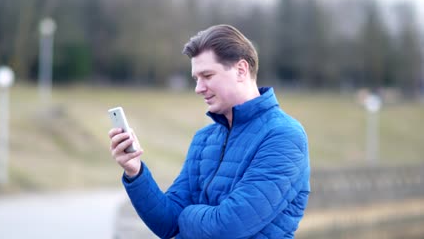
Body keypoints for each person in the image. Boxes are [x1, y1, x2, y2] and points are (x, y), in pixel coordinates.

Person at [109, 24, 310, 239]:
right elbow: (168, 223)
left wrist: (186, 217)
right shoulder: (204, 139)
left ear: (241, 70)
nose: (198, 88)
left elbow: (227, 227)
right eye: (196, 79)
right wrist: (135, 172)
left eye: (207, 76)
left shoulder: (284, 136)